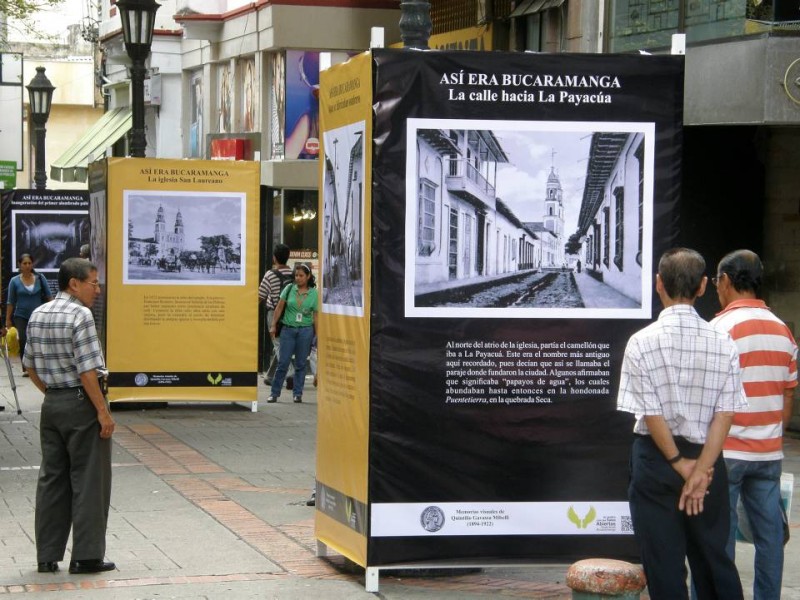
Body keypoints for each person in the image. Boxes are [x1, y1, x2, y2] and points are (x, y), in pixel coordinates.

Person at [617, 247, 747, 600]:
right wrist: (700, 470)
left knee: (664, 567)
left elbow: (650, 412)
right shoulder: (724, 343)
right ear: (704, 286)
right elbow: (726, 413)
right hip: (707, 464)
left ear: (658, 284)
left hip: (657, 462)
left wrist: (678, 464)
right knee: (713, 561)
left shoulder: (640, 342)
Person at [711, 249, 797, 600]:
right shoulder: (784, 332)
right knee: (770, 537)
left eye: (718, 281)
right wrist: (770, 436)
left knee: (719, 539)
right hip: (768, 454)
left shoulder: (718, 329)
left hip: (726, 452)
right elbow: (787, 398)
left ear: (727, 281)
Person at [24, 258, 116, 575]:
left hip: (52, 403)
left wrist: (53, 392)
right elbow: (88, 371)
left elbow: (30, 367)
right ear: (73, 283)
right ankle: (87, 556)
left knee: (52, 478)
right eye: (93, 282)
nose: (98, 289)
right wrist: (102, 412)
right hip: (81, 402)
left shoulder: (38, 313)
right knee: (90, 479)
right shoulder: (81, 315)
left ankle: (46, 556)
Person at [268, 263, 318, 403]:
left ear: (308, 277)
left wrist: (317, 335)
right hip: (288, 330)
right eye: (296, 275)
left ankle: (298, 393)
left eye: (301, 276)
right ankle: (274, 393)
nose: (298, 278)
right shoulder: (289, 289)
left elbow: (316, 316)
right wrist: (273, 325)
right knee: (283, 362)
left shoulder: (314, 293)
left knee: (301, 364)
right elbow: (278, 308)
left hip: (305, 331)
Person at [5, 254, 52, 376]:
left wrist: (53, 311)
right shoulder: (14, 281)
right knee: (24, 340)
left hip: (38, 315)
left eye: (29, 263)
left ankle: (38, 366)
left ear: (32, 264)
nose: (27, 266)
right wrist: (7, 320)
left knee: (37, 340)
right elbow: (10, 301)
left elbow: (49, 296)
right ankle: (26, 368)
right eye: (24, 263)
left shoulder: (40, 278)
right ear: (20, 265)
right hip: (21, 315)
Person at [258, 243, 293, 386]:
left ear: (274, 258)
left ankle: (291, 373)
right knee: (280, 344)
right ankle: (270, 376)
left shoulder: (270, 274)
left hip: (274, 314)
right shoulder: (294, 274)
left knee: (279, 345)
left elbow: (260, 296)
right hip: (290, 314)